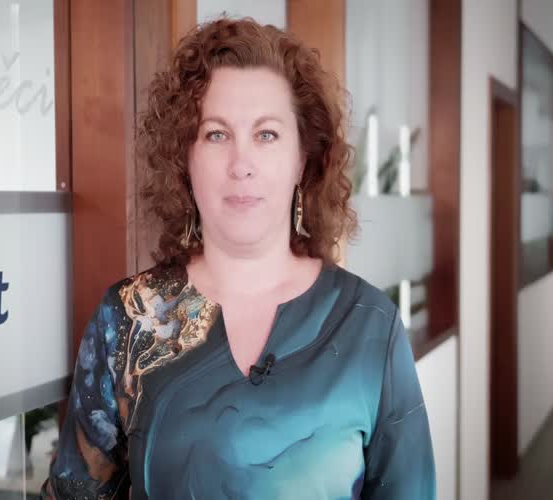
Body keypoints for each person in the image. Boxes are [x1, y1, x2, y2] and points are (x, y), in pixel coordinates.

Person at [41, 17, 436, 500]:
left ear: (302, 159)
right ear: (184, 158)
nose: (241, 164)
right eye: (216, 134)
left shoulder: (369, 324)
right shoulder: (126, 320)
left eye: (266, 135)